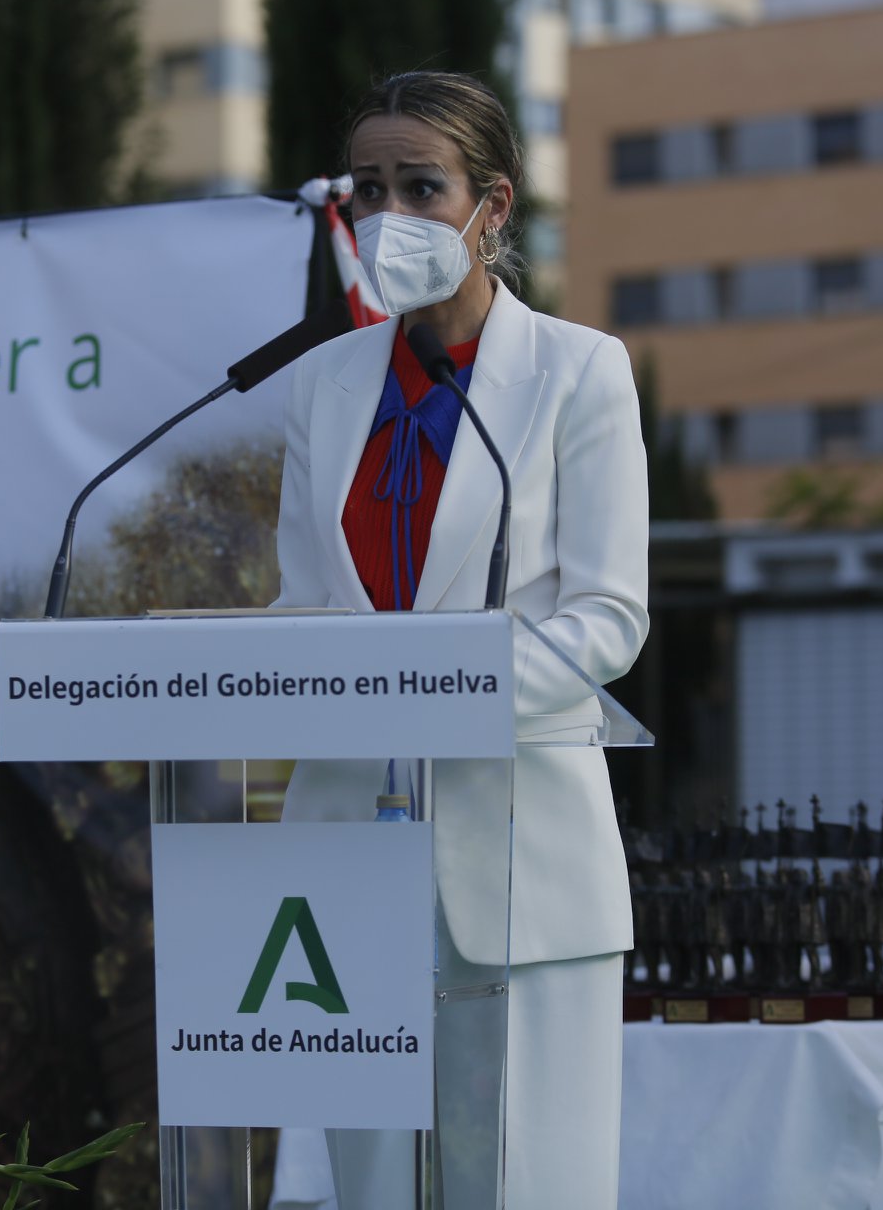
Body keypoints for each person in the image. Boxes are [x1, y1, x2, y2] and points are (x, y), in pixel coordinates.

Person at [272, 69, 648, 1209]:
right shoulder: (320, 383)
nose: (389, 213)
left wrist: (434, 693)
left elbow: (608, 618)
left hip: (524, 857)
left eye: (421, 187)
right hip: (345, 851)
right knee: (374, 1186)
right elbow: (301, 614)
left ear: (493, 206)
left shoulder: (580, 370)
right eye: (369, 187)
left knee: (521, 1182)